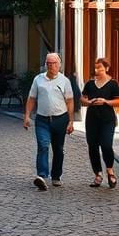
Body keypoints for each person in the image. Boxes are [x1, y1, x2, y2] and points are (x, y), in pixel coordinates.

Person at [23, 52, 74, 190]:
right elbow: (32, 98)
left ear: (59, 65)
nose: (51, 66)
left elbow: (69, 101)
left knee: (58, 149)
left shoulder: (64, 81)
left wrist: (71, 121)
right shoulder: (38, 80)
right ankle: (42, 175)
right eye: (48, 63)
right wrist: (27, 115)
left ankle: (56, 175)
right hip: (42, 119)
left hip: (60, 119)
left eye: (53, 63)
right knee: (43, 145)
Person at [80, 57, 119, 188]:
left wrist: (105, 101)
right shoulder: (90, 83)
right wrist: (89, 102)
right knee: (92, 146)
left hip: (107, 119)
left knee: (106, 145)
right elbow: (82, 99)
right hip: (92, 119)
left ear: (106, 68)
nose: (97, 70)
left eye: (100, 67)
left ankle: (110, 171)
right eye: (95, 67)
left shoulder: (113, 84)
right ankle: (97, 174)